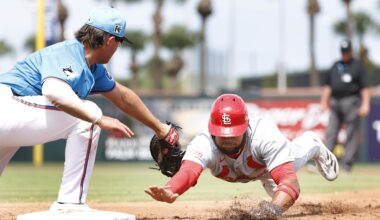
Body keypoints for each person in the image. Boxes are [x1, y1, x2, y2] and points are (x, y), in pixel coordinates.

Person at [0, 7, 178, 211]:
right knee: (88, 117)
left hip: (11, 113)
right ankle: (70, 205)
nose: (117, 48)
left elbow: (123, 97)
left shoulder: (93, 68)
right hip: (7, 104)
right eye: (119, 42)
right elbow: (54, 92)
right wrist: (98, 119)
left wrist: (159, 128)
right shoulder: (67, 53)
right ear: (110, 41)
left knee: (87, 114)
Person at [145, 94, 339, 219]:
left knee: (288, 178)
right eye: (222, 133)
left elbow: (291, 184)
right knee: (277, 195)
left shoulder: (264, 135)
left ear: (245, 128)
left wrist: (269, 212)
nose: (227, 138)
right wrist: (171, 189)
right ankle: (269, 182)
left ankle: (312, 143)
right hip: (254, 169)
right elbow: (188, 171)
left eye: (233, 133)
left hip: (267, 165)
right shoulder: (204, 143)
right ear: (212, 129)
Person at [320, 39, 370, 173]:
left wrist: (365, 104)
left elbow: (365, 87)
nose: (344, 54)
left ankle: (347, 163)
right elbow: (328, 85)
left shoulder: (357, 66)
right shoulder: (335, 65)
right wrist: (324, 101)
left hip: (351, 101)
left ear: (350, 51)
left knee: (351, 133)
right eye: (342, 52)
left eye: (346, 51)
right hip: (335, 101)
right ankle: (325, 162)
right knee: (331, 132)